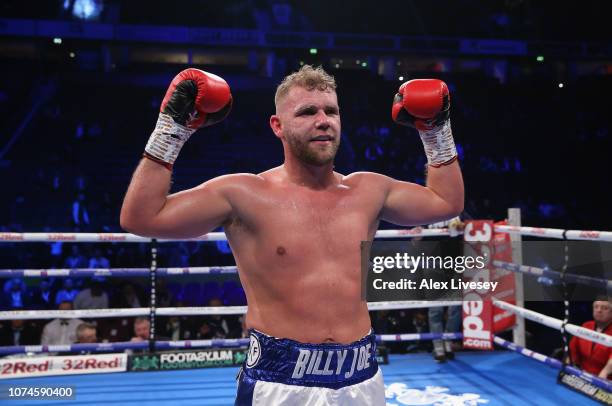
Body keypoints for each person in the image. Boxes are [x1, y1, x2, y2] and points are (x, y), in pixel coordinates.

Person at [121, 66, 463, 405]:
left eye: (331, 111)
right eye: (307, 112)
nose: (323, 120)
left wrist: (436, 131)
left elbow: (446, 202)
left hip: (362, 378)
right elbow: (141, 218)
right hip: (281, 383)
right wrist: (171, 129)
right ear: (278, 126)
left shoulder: (368, 190)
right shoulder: (243, 194)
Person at [569, 298, 612, 379]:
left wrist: (604, 374)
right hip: (580, 374)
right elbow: (572, 349)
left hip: (605, 380)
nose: (599, 310)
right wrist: (572, 367)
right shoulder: (586, 325)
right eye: (596, 307)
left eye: (605, 308)